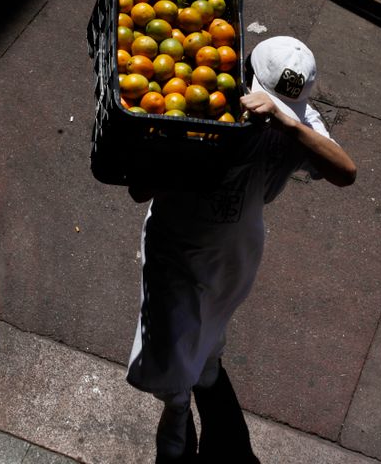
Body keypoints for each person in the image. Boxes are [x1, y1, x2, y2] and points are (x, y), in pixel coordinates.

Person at [126, 36, 357, 463]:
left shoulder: (299, 125)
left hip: (237, 248)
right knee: (168, 336)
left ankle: (208, 366)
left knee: (213, 318)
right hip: (176, 242)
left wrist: (286, 123)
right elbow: (141, 189)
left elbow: (346, 171)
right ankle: (177, 410)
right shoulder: (207, 102)